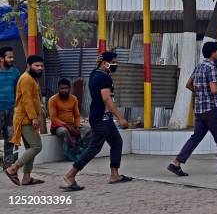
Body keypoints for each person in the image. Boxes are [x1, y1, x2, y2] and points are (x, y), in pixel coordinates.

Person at [61, 52, 131, 191]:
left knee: (117, 143)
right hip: (101, 119)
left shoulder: (95, 73)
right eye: (113, 62)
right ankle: (70, 175)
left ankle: (114, 175)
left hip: (104, 118)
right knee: (94, 148)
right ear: (105, 63)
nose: (115, 64)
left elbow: (96, 69)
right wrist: (120, 117)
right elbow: (106, 99)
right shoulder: (103, 78)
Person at [168, 42, 217, 176]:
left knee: (196, 137)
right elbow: (214, 89)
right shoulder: (211, 68)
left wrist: (200, 93)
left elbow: (188, 84)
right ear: (212, 53)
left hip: (199, 110)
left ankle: (176, 163)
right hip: (211, 110)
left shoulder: (199, 66)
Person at [4, 55, 45, 186]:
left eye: (41, 66)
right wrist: (33, 117)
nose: (39, 68)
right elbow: (27, 100)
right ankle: (12, 169)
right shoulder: (26, 79)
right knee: (37, 146)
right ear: (28, 65)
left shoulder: (31, 78)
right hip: (25, 119)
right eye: (36, 66)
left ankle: (27, 177)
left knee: (30, 147)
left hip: (27, 118)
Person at [49, 79, 87, 161]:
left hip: (72, 125)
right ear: (58, 89)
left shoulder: (74, 99)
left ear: (70, 88)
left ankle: (83, 151)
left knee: (89, 130)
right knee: (64, 131)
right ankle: (70, 155)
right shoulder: (53, 99)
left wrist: (77, 127)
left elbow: (77, 115)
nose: (64, 90)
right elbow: (53, 118)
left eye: (66, 88)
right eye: (61, 88)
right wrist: (67, 126)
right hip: (57, 127)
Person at [0, 46, 20, 168]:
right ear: (1, 58)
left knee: (10, 136)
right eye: (9, 57)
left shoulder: (15, 72)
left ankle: (8, 164)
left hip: (12, 110)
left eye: (13, 57)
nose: (12, 59)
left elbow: (18, 91)